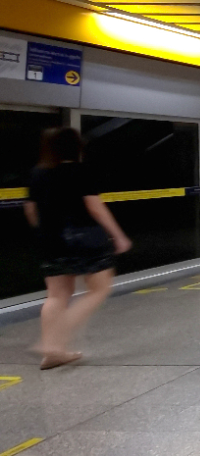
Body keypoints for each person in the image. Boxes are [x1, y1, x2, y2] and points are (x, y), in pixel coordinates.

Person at [23, 127, 131, 370]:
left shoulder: (37, 174)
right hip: (84, 238)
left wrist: (45, 232)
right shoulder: (80, 171)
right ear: (76, 146)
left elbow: (30, 210)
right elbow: (94, 207)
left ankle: (53, 352)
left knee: (56, 295)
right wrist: (118, 235)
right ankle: (55, 341)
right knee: (99, 288)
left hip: (51, 241)